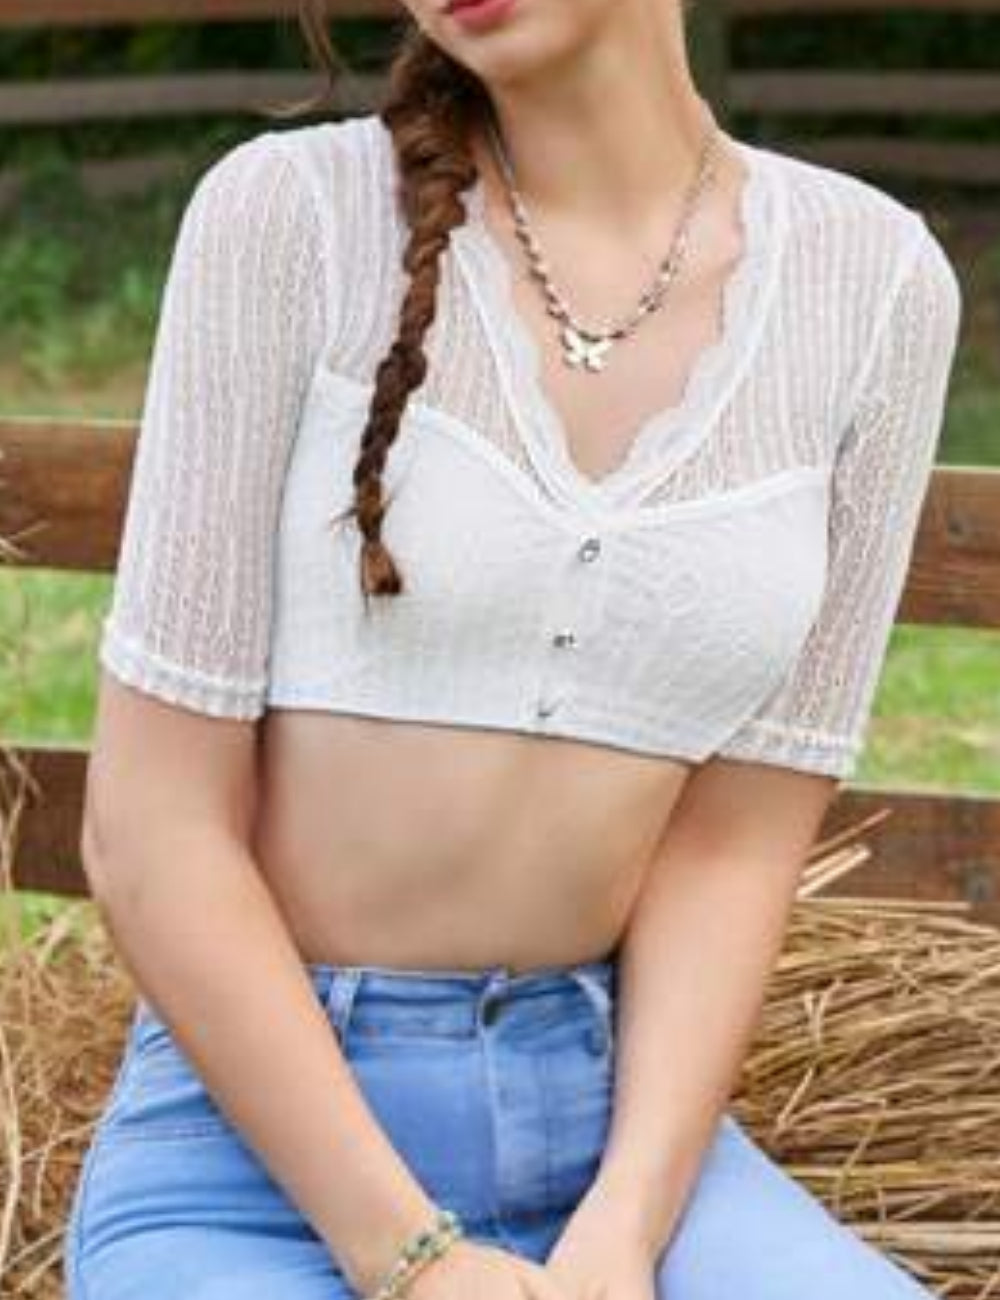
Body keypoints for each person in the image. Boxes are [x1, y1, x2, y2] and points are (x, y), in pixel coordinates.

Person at [63, 0, 961, 1297]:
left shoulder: (876, 288)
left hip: (615, 1142)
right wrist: (413, 1257)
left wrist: (627, 1228)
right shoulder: (289, 218)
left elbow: (734, 845)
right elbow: (151, 835)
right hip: (255, 1164)